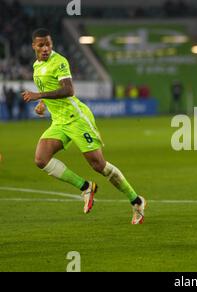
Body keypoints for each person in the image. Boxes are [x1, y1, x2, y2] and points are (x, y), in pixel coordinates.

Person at [21, 28, 147, 224]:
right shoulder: (36, 66)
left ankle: (136, 201)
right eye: (41, 45)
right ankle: (85, 187)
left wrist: (38, 96)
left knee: (99, 166)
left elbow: (68, 90)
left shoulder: (60, 61)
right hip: (59, 121)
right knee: (41, 158)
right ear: (33, 46)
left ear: (51, 44)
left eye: (48, 44)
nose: (45, 48)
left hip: (77, 119)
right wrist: (42, 103)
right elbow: (48, 88)